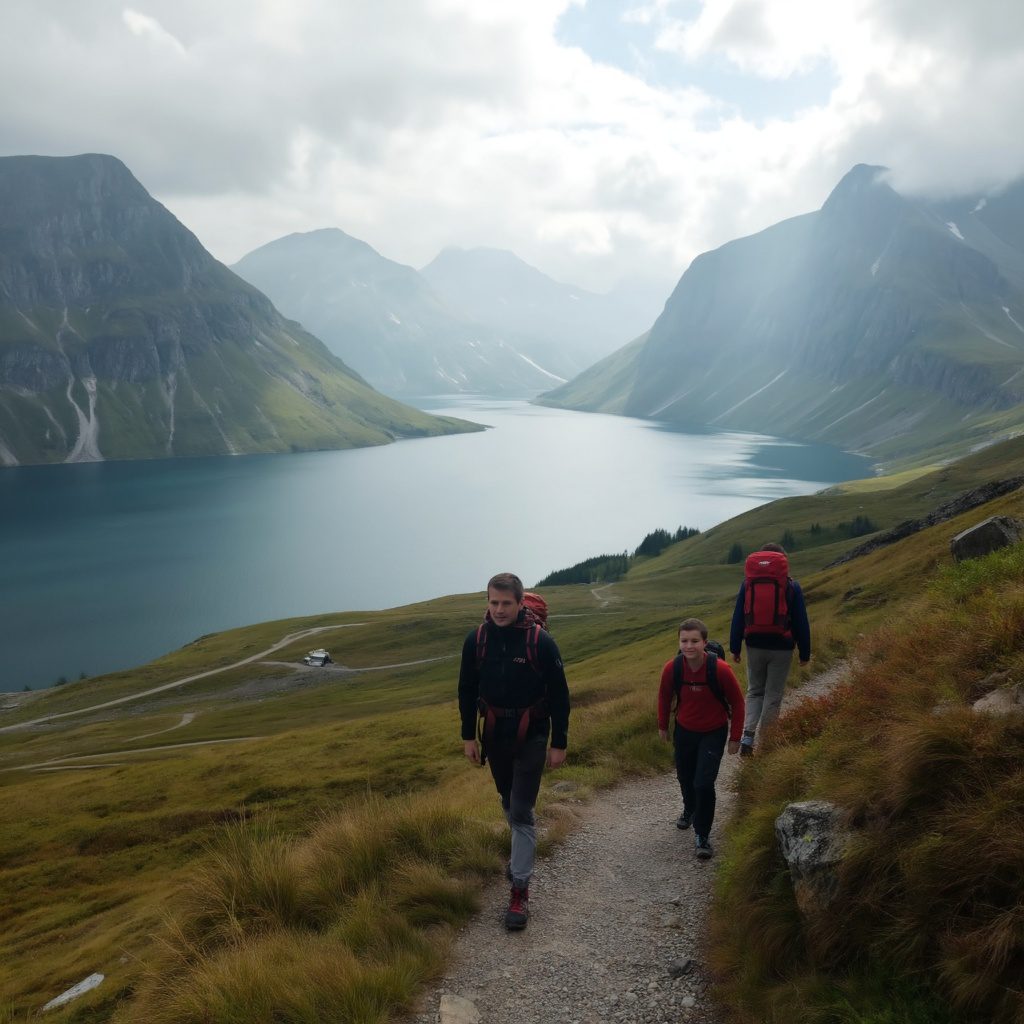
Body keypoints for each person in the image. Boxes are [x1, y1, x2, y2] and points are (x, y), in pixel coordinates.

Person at [458, 572, 570, 930]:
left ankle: (520, 889)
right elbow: (465, 690)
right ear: (487, 603)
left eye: (506, 603)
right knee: (507, 801)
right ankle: (521, 852)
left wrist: (559, 742)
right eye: (493, 603)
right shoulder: (476, 641)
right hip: (494, 735)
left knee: (520, 810)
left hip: (532, 735)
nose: (499, 610)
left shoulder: (541, 643)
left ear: (521, 603)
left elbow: (560, 696)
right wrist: (468, 737)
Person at [657, 618, 744, 860]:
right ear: (679, 642)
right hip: (684, 731)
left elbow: (737, 703)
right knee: (685, 776)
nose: (689, 646)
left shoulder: (720, 669)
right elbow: (664, 697)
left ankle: (702, 835)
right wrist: (662, 726)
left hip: (713, 732)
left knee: (703, 784)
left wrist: (735, 737)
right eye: (684, 641)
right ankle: (689, 808)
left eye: (695, 641)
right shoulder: (672, 668)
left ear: (704, 642)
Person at [729, 542, 811, 756]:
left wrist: (735, 647)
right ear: (783, 562)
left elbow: (738, 617)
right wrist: (804, 653)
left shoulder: (747, 584)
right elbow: (801, 622)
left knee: (755, 691)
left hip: (754, 644)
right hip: (782, 647)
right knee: (773, 695)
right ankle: (767, 744)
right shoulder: (792, 586)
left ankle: (748, 735)